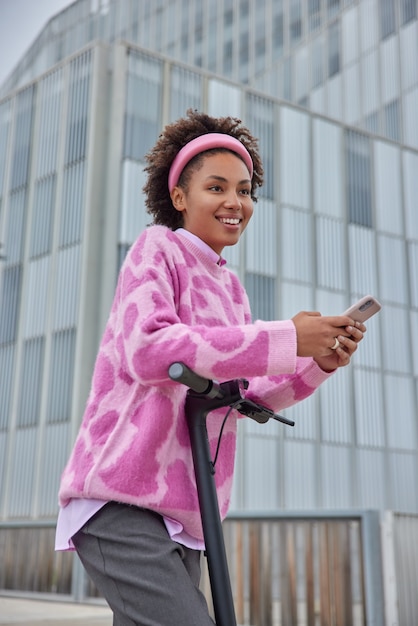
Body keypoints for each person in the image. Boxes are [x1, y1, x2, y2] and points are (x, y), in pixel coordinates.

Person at [55, 109, 366, 625]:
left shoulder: (233, 290)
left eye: (245, 191)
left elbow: (241, 395)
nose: (234, 203)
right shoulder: (159, 248)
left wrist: (314, 362)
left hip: (186, 515)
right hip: (120, 500)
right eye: (217, 187)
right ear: (179, 197)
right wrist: (286, 335)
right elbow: (150, 348)